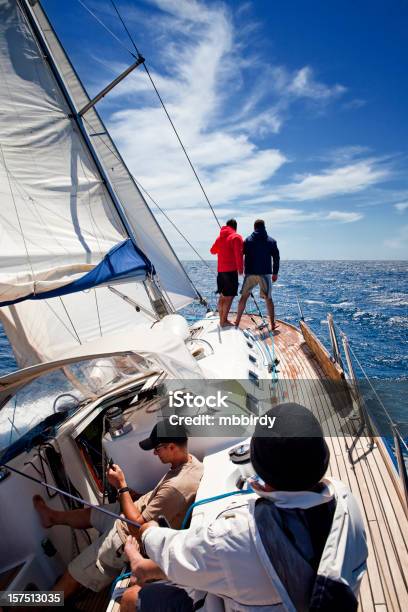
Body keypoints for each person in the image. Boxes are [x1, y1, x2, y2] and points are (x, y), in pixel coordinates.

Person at [121, 403, 368, 612]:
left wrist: (149, 532)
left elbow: (174, 553)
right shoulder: (346, 500)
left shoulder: (235, 538)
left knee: (131, 598)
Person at [32, 421, 203, 600]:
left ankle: (21, 606)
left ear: (172, 447)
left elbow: (137, 526)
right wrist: (135, 496)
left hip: (124, 536)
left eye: (157, 449)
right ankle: (51, 517)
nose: (154, 452)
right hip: (131, 514)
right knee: (90, 513)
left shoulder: (176, 487)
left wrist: (122, 486)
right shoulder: (190, 463)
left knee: (72, 574)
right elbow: (163, 500)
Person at [234, 219, 280, 331]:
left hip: (250, 273)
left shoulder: (248, 241)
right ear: (264, 227)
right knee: (268, 299)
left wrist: (239, 269)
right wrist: (275, 273)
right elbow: (276, 258)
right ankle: (273, 325)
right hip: (265, 274)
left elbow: (240, 255)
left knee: (244, 297)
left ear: (254, 227)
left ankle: (237, 321)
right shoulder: (271, 241)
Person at [210, 219, 244, 327]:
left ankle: (222, 320)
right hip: (230, 272)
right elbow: (238, 255)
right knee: (229, 297)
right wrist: (241, 270)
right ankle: (223, 321)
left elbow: (212, 251)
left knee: (223, 296)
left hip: (221, 272)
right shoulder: (236, 237)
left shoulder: (220, 238)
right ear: (235, 227)